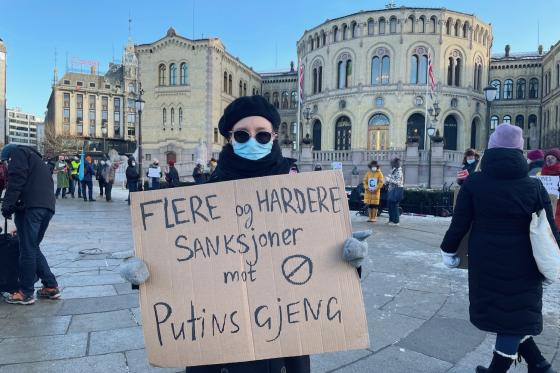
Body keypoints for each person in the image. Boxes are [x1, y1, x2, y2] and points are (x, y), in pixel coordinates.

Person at [120, 95, 370, 373]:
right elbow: (182, 262)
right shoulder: (201, 194)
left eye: (262, 135)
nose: (253, 141)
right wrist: (145, 272)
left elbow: (318, 264)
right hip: (215, 344)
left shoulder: (301, 191)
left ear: (274, 136)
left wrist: (350, 260)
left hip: (283, 344)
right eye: (242, 134)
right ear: (229, 139)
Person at [440, 124, 559, 373]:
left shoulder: (474, 183)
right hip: (526, 261)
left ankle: (501, 370)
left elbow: (459, 223)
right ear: (520, 151)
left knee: (506, 315)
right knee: (514, 314)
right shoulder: (534, 186)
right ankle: (539, 365)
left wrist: (448, 250)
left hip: (487, 259)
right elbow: (549, 230)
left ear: (491, 149)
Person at [1, 144, 60, 305]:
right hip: (46, 207)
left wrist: (7, 206)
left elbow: (16, 179)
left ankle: (25, 293)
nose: (6, 166)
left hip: (31, 207)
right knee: (32, 246)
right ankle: (50, 285)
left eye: (5, 163)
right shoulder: (36, 159)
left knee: (26, 249)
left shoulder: (18, 153)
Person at [541, 148, 560, 228]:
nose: (550, 160)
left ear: (558, 160)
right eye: (548, 158)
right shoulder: (542, 172)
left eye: (552, 158)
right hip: (546, 205)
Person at [385, 158, 404, 226]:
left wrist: (389, 180)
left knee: (394, 206)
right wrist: (387, 180)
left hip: (396, 190)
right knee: (390, 206)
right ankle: (391, 220)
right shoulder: (394, 170)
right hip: (391, 190)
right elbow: (392, 178)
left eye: (392, 163)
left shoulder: (399, 171)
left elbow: (397, 182)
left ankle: (396, 221)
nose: (391, 165)